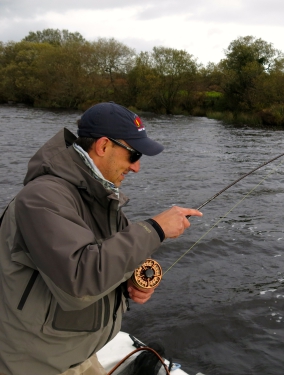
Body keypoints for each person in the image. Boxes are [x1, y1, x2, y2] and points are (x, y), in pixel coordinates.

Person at [0, 102, 202, 375]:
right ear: (104, 146)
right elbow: (80, 280)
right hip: (36, 363)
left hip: (79, 354)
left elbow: (110, 256)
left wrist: (134, 278)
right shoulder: (42, 197)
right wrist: (155, 229)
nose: (137, 168)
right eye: (134, 155)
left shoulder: (100, 197)